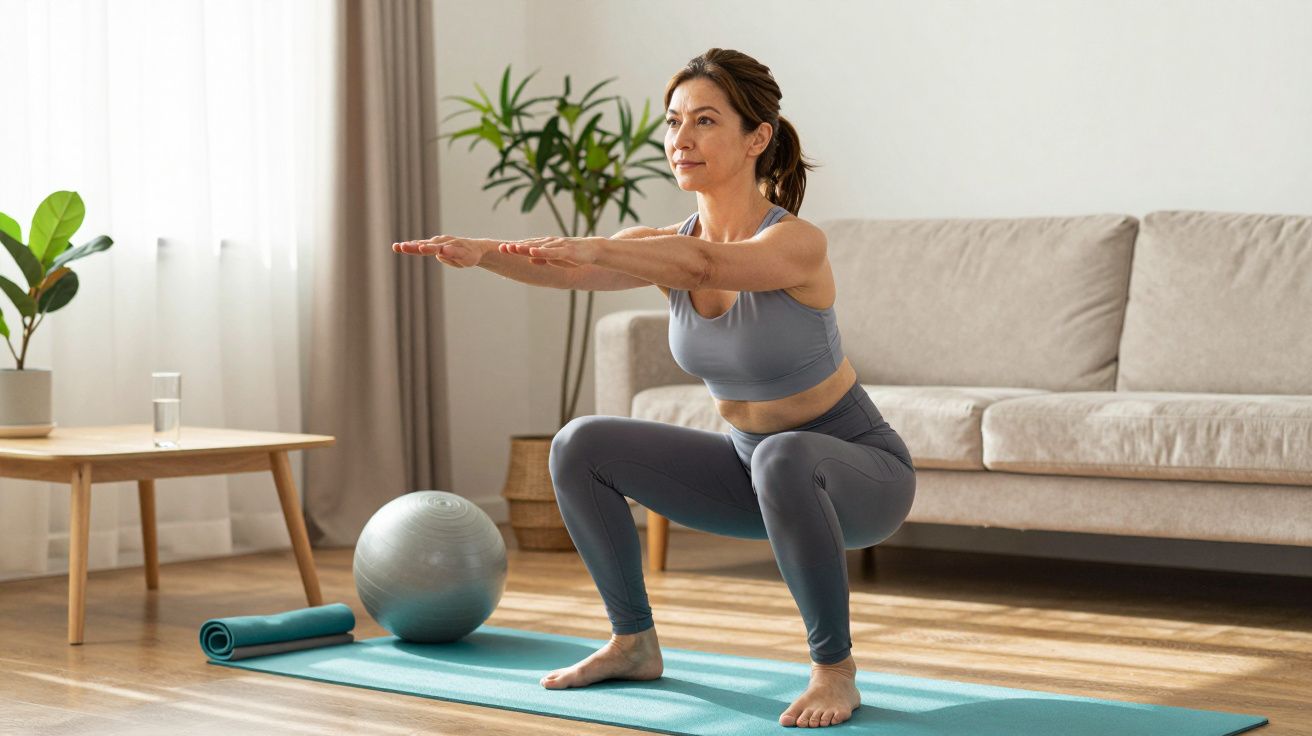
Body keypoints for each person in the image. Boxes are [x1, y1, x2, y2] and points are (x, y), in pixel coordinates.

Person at [393, 47, 916, 730]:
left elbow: (701, 263)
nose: (682, 140)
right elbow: (573, 272)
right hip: (749, 471)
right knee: (582, 444)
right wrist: (482, 252)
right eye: (673, 123)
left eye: (704, 121)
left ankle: (834, 669)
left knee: (785, 454)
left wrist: (604, 246)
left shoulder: (794, 244)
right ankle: (632, 641)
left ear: (757, 138)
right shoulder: (663, 244)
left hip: (856, 474)